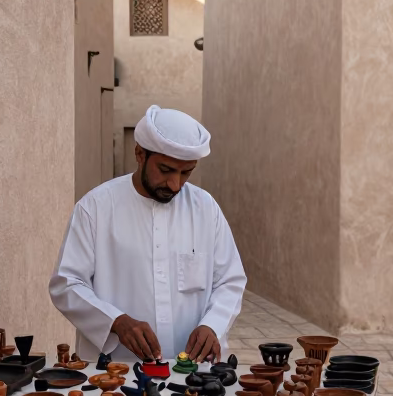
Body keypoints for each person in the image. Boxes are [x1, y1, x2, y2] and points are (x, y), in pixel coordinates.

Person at [49, 105, 246, 365]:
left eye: (186, 172)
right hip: (116, 373)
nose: (175, 185)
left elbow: (230, 281)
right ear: (140, 154)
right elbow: (67, 283)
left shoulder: (206, 209)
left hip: (192, 374)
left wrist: (213, 324)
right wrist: (116, 322)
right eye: (165, 170)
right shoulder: (96, 207)